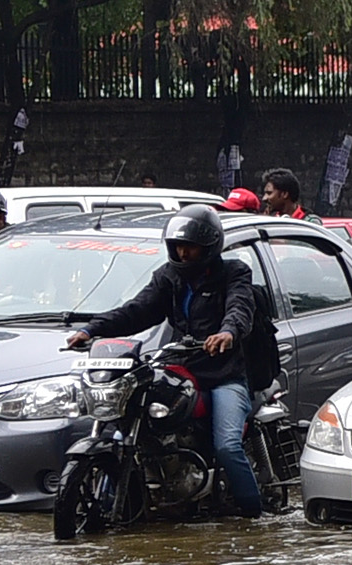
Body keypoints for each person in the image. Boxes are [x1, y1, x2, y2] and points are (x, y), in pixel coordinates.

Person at [64, 206, 264, 517]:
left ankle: (255, 516)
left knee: (227, 446)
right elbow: (136, 310)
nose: (183, 254)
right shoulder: (168, 277)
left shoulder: (234, 273)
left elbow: (239, 308)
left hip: (224, 374)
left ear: (209, 247)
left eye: (191, 247)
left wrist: (227, 333)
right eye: (178, 246)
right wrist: (92, 330)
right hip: (179, 368)